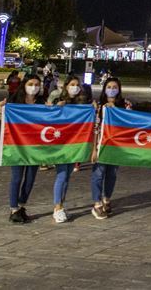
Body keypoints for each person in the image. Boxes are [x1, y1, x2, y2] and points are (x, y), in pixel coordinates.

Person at [0, 75, 47, 223]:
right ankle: (13, 208)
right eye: (31, 84)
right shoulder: (15, 101)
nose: (34, 87)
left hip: (35, 147)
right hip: (18, 146)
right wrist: (0, 111)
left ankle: (21, 205)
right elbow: (3, 125)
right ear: (25, 85)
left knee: (31, 178)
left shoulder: (41, 102)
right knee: (17, 177)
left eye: (37, 84)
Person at [90, 78, 131, 220]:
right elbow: (95, 127)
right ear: (104, 88)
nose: (112, 89)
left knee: (112, 174)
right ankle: (97, 203)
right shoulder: (99, 106)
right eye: (109, 86)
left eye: (115, 87)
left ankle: (107, 199)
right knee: (98, 174)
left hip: (117, 146)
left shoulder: (125, 104)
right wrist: (94, 148)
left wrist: (117, 111)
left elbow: (130, 123)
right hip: (101, 144)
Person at [52, 75, 91, 223]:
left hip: (74, 145)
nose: (75, 87)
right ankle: (57, 207)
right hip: (61, 145)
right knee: (61, 175)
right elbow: (50, 117)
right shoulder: (59, 101)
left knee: (67, 176)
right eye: (72, 84)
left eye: (77, 85)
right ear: (66, 86)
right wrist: (57, 108)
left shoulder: (83, 103)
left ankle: (61, 203)